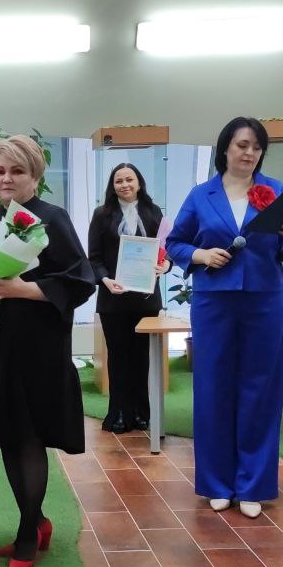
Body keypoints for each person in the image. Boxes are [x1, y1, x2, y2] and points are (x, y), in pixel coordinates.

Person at [0, 134, 94, 567]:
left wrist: (21, 289)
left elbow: (79, 281)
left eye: (17, 171)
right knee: (8, 435)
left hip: (36, 348)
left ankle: (29, 532)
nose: (6, 179)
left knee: (29, 436)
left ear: (35, 176)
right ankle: (37, 520)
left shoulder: (52, 219)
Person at [163, 117, 283, 519]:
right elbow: (174, 243)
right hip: (214, 302)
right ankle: (217, 483)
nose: (249, 153)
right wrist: (201, 255)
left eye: (257, 147)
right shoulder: (201, 194)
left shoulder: (277, 191)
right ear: (225, 148)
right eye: (242, 145)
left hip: (263, 300)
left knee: (261, 389)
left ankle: (253, 485)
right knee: (213, 388)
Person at [88, 163, 171, 434]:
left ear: (139, 182)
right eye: (119, 181)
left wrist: (165, 266)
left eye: (129, 179)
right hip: (113, 298)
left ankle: (141, 413)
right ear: (112, 186)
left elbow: (166, 251)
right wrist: (105, 280)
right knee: (118, 356)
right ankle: (120, 413)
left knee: (141, 357)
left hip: (145, 298)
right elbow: (94, 258)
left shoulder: (153, 212)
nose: (124, 185)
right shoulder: (102, 215)